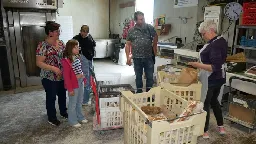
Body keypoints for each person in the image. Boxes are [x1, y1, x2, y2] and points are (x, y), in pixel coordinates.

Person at [188, 20, 227, 138]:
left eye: (203, 33)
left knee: (205, 103)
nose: (202, 36)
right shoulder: (221, 40)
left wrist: (197, 65)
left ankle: (204, 130)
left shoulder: (214, 45)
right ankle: (221, 126)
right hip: (220, 77)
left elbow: (213, 67)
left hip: (211, 78)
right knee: (214, 101)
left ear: (211, 31)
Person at [36, 21, 68, 126]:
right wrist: (53, 68)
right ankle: (52, 117)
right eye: (56, 31)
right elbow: (39, 62)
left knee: (63, 95)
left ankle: (64, 112)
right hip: (49, 77)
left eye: (59, 30)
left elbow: (65, 57)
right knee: (51, 97)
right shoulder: (42, 46)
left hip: (61, 76)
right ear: (50, 32)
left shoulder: (61, 43)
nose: (59, 33)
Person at [125, 11, 158, 93]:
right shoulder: (131, 31)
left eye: (143, 18)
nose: (142, 21)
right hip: (137, 59)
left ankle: (149, 95)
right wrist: (128, 58)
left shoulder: (149, 28)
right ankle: (139, 93)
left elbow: (156, 36)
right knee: (138, 77)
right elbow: (128, 45)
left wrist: (154, 47)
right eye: (140, 19)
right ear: (135, 20)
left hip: (149, 57)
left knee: (150, 77)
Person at [62, 40, 88, 128]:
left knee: (79, 101)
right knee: (73, 103)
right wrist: (70, 89)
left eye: (78, 47)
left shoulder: (77, 57)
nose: (78, 49)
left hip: (80, 81)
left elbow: (80, 69)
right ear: (70, 48)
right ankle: (72, 121)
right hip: (73, 84)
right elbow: (66, 77)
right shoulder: (66, 60)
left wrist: (83, 79)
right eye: (75, 47)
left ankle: (80, 117)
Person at [73, 25, 96, 105]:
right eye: (83, 32)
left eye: (86, 33)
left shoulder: (90, 38)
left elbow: (93, 46)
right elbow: (71, 48)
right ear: (80, 31)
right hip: (82, 60)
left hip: (89, 59)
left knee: (90, 78)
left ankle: (86, 97)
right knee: (84, 80)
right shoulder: (76, 38)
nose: (84, 34)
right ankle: (84, 100)